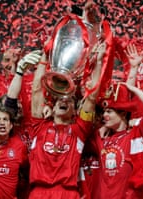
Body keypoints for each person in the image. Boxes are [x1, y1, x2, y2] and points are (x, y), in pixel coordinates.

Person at [28, 37, 106, 198]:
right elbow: (36, 90)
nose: (64, 100)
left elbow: (91, 97)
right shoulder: (39, 126)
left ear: (74, 112)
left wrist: (98, 62)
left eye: (70, 101)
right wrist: (45, 54)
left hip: (67, 193)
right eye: (60, 100)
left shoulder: (79, 129)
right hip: (39, 192)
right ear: (52, 108)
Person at [83, 82, 143, 199]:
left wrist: (132, 89)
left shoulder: (137, 135)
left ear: (123, 113)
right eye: (104, 111)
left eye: (109, 111)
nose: (104, 115)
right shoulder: (101, 139)